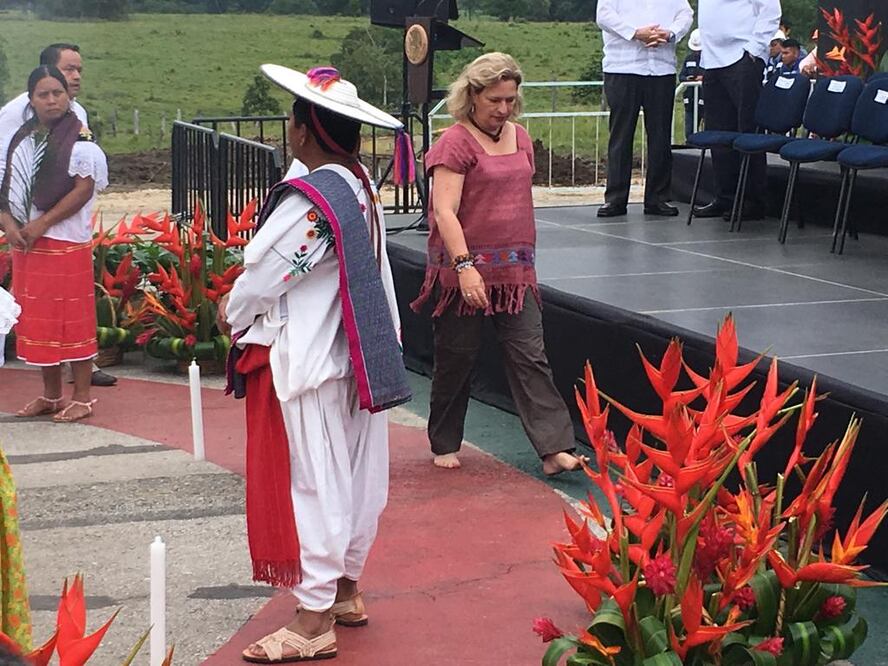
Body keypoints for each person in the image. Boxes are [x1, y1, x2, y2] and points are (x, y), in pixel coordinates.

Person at [218, 64, 411, 663]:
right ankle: (345, 590)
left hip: (315, 360)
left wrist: (233, 313)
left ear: (303, 129)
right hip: (362, 355)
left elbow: (262, 278)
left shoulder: (313, 202)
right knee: (355, 478)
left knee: (316, 484)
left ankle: (311, 619)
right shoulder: (358, 185)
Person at [410, 52, 586, 475]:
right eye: (495, 101)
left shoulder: (521, 138)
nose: (504, 109)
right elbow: (444, 211)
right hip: (463, 271)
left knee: (530, 356)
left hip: (514, 273)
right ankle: (445, 440)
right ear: (472, 97)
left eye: (510, 100)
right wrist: (465, 266)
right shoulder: (454, 142)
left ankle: (554, 449)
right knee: (457, 356)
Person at [0, 42, 116, 387]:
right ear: (33, 95)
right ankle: (51, 392)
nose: (76, 77)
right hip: (25, 233)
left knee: (71, 315)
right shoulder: (16, 119)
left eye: (78, 70)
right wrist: (9, 222)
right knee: (38, 317)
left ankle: (82, 387)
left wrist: (42, 222)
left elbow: (83, 186)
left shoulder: (77, 124)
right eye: (69, 69)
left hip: (62, 235)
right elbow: (3, 169)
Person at [595, 0, 693, 217]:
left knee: (660, 136)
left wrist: (670, 34)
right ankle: (615, 198)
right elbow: (603, 15)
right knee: (621, 135)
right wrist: (635, 33)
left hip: (661, 67)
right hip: (623, 66)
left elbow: (685, 13)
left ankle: (657, 198)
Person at [694, 0, 781, 222]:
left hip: (741, 56)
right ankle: (726, 196)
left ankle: (752, 200)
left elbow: (770, 10)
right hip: (713, 60)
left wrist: (754, 48)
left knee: (747, 131)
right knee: (719, 132)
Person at [680, 29, 705, 141]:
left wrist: (704, 78)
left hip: (704, 99)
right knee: (689, 129)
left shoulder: (709, 59)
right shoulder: (688, 59)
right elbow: (681, 76)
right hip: (690, 99)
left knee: (708, 128)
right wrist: (687, 79)